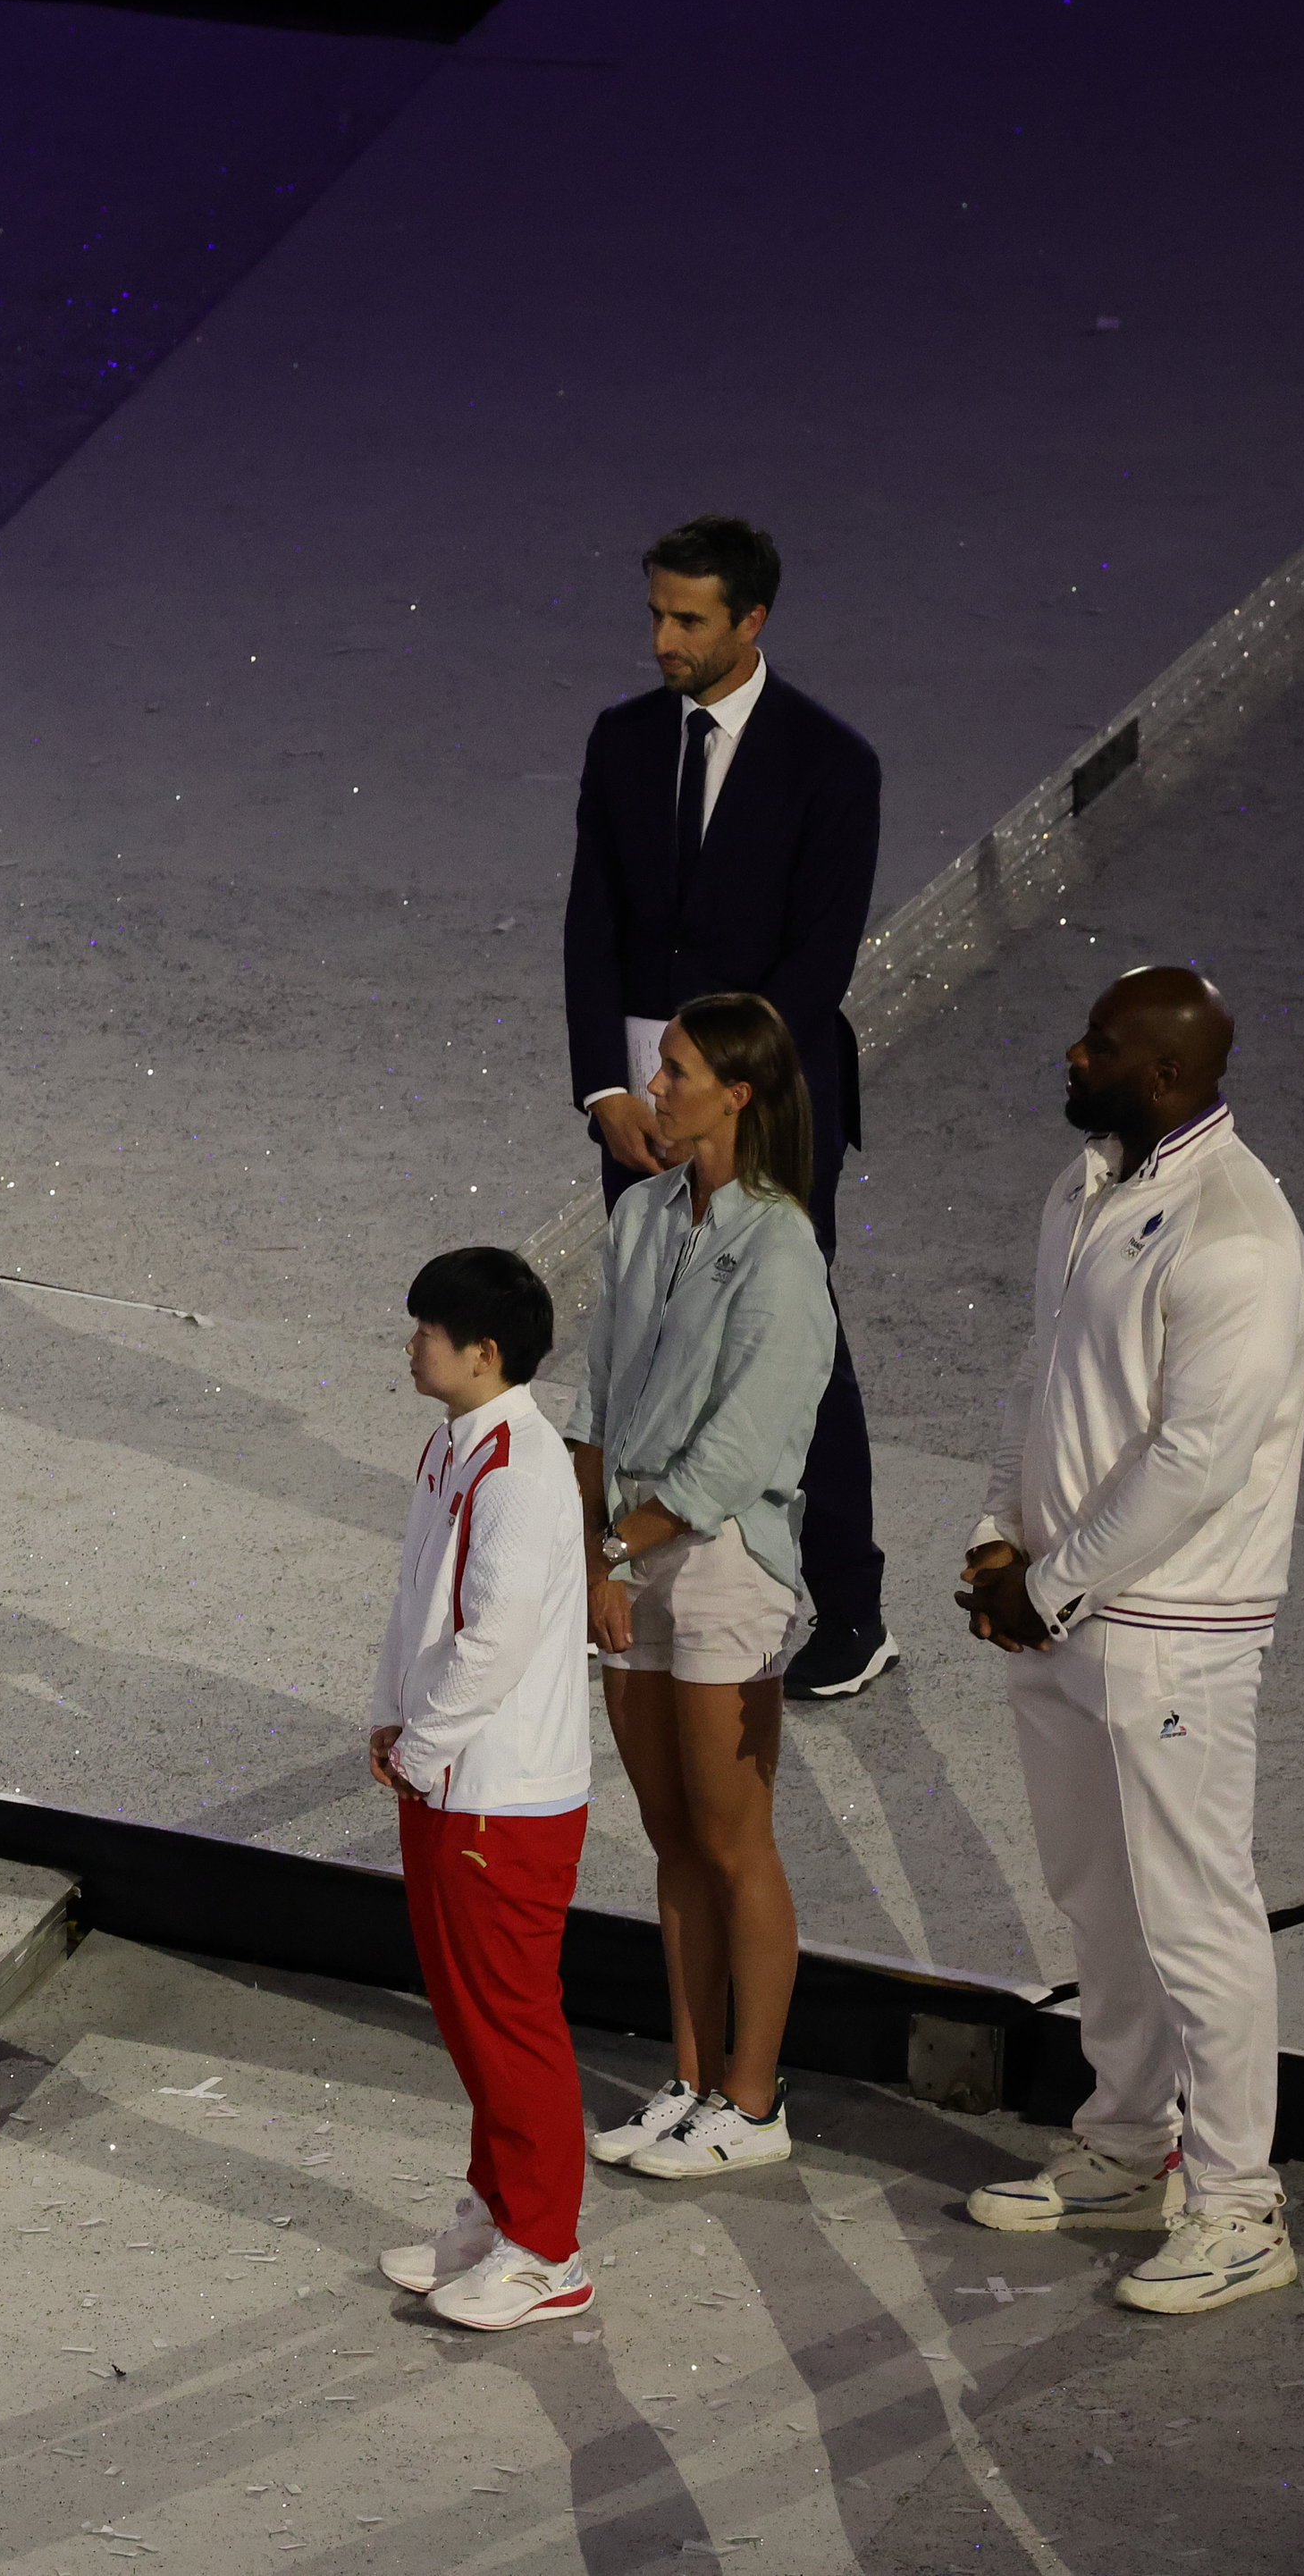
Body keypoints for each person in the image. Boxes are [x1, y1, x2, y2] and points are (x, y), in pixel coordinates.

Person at [957, 965, 1304, 2314]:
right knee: (1096, 1893)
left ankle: (1238, 2202)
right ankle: (1125, 2142)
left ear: (1164, 1072)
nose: (1071, 1047)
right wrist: (998, 1536)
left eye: (1097, 1040)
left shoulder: (1239, 1234)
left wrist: (1049, 1582)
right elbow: (1043, 1375)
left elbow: (1197, 1460)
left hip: (1175, 1625)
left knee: (1195, 1911)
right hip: (1059, 1605)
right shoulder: (1083, 1186)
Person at [562, 515, 894, 1698]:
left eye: (688, 619)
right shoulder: (621, 741)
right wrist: (611, 1084)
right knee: (648, 1333)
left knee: (795, 1345)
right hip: (645, 1101)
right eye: (655, 613)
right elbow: (592, 922)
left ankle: (850, 1603)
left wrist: (725, 1103)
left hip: (771, 1099)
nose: (664, 638)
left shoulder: (831, 763)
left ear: (751, 621)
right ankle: (637, 1566)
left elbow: (817, 963)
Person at [571, 992, 836, 2183]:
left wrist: (619, 1550)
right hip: (629, 1549)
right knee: (671, 1834)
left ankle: (755, 2095)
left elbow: (733, 1455)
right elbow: (593, 1403)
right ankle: (687, 2080)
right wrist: (589, 1553)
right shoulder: (636, 1215)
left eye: (674, 1071)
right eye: (657, 1068)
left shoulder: (783, 1246)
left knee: (736, 1843)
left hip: (722, 1558)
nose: (655, 1088)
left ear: (738, 1093)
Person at [370, 1245, 596, 2331]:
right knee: (466, 2017)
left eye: (425, 1329)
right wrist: (392, 1713)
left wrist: (421, 1744)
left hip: (498, 1793)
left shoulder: (520, 1465)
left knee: (509, 2020)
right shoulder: (452, 1444)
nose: (409, 1343)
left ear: (483, 1350)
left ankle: (546, 2249)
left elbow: (495, 1633)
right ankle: (496, 2210)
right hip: (446, 1775)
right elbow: (417, 1591)